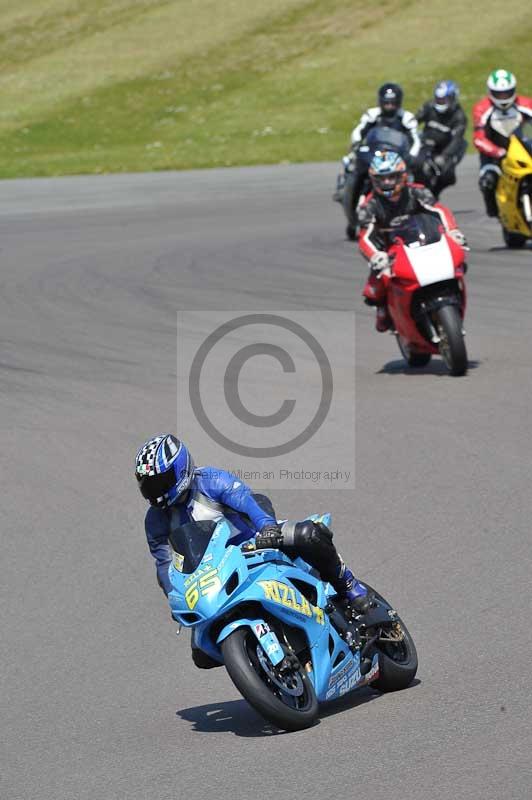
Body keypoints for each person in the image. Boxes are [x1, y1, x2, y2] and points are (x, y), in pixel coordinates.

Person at [135, 434, 369, 667]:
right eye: (148, 487)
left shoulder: (210, 481)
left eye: (160, 482)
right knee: (202, 656)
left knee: (308, 535)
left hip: (256, 545)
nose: (156, 492)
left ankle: (348, 585)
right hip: (214, 574)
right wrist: (174, 594)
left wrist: (267, 528)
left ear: (180, 468)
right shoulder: (155, 521)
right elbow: (164, 563)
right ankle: (260, 660)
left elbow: (246, 501)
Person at [359, 151, 466, 331]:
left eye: (392, 177)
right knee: (376, 287)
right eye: (382, 178)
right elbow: (365, 236)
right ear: (374, 180)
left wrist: (453, 231)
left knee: (458, 262)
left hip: (423, 240)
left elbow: (439, 210)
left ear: (402, 176)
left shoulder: (417, 191)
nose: (387, 182)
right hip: (389, 250)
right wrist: (376, 255)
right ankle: (383, 308)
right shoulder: (369, 205)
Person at [336, 83, 421, 236]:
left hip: (396, 159)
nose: (389, 106)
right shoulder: (372, 115)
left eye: (393, 103)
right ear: (380, 101)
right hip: (374, 155)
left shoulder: (406, 118)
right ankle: (350, 203)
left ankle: (416, 214)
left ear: (398, 102)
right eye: (386, 102)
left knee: (416, 176)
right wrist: (356, 144)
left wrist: (412, 157)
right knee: (355, 171)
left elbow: (415, 140)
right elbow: (358, 132)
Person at [473, 69, 532, 217]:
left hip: (521, 149)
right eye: (499, 94)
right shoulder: (481, 108)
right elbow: (478, 138)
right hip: (493, 154)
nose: (503, 97)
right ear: (490, 92)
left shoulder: (525, 104)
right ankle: (495, 212)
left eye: (507, 93)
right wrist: (498, 152)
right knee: (487, 181)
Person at [415, 80, 467, 197]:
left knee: (447, 176)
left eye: (444, 99)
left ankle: (433, 195)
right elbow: (414, 121)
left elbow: (457, 139)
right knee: (417, 165)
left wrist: (445, 156)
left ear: (453, 98)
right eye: (438, 99)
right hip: (426, 144)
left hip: (445, 149)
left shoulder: (459, 116)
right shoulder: (428, 106)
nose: (440, 102)